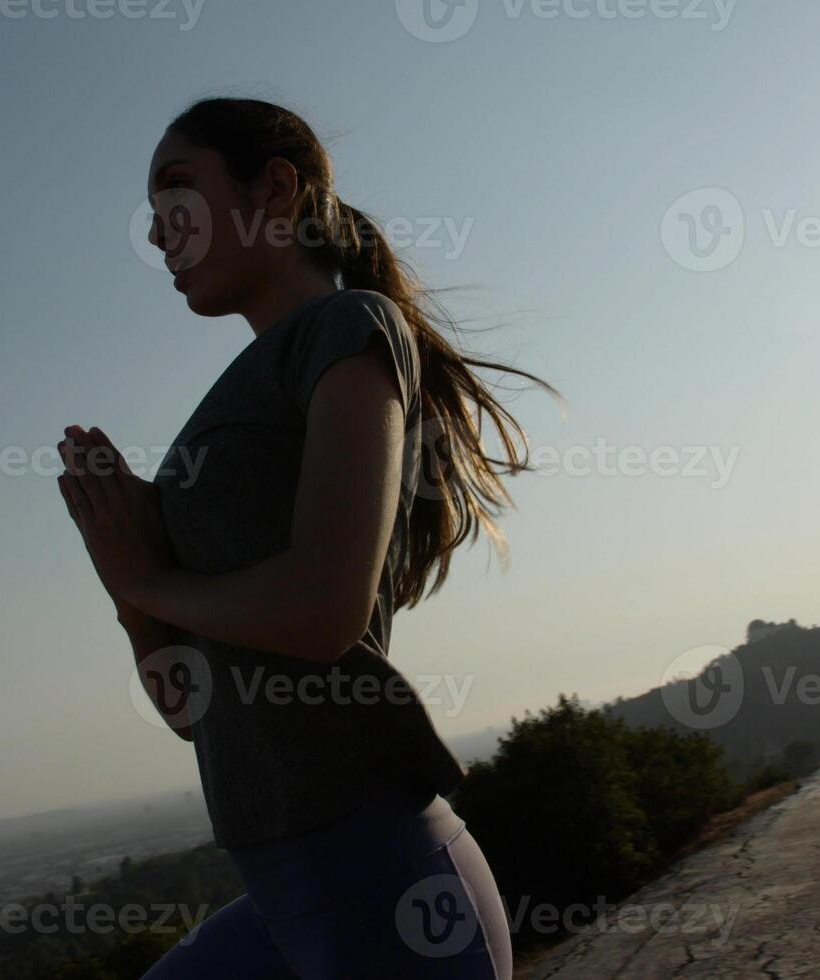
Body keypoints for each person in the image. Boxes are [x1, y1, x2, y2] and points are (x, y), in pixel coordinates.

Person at [55, 96, 557, 980]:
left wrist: (150, 581)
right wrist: (126, 587)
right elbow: (189, 712)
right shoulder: (225, 404)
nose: (157, 233)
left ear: (275, 189)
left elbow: (326, 611)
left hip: (386, 889)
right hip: (292, 898)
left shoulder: (348, 326)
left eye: (177, 191)